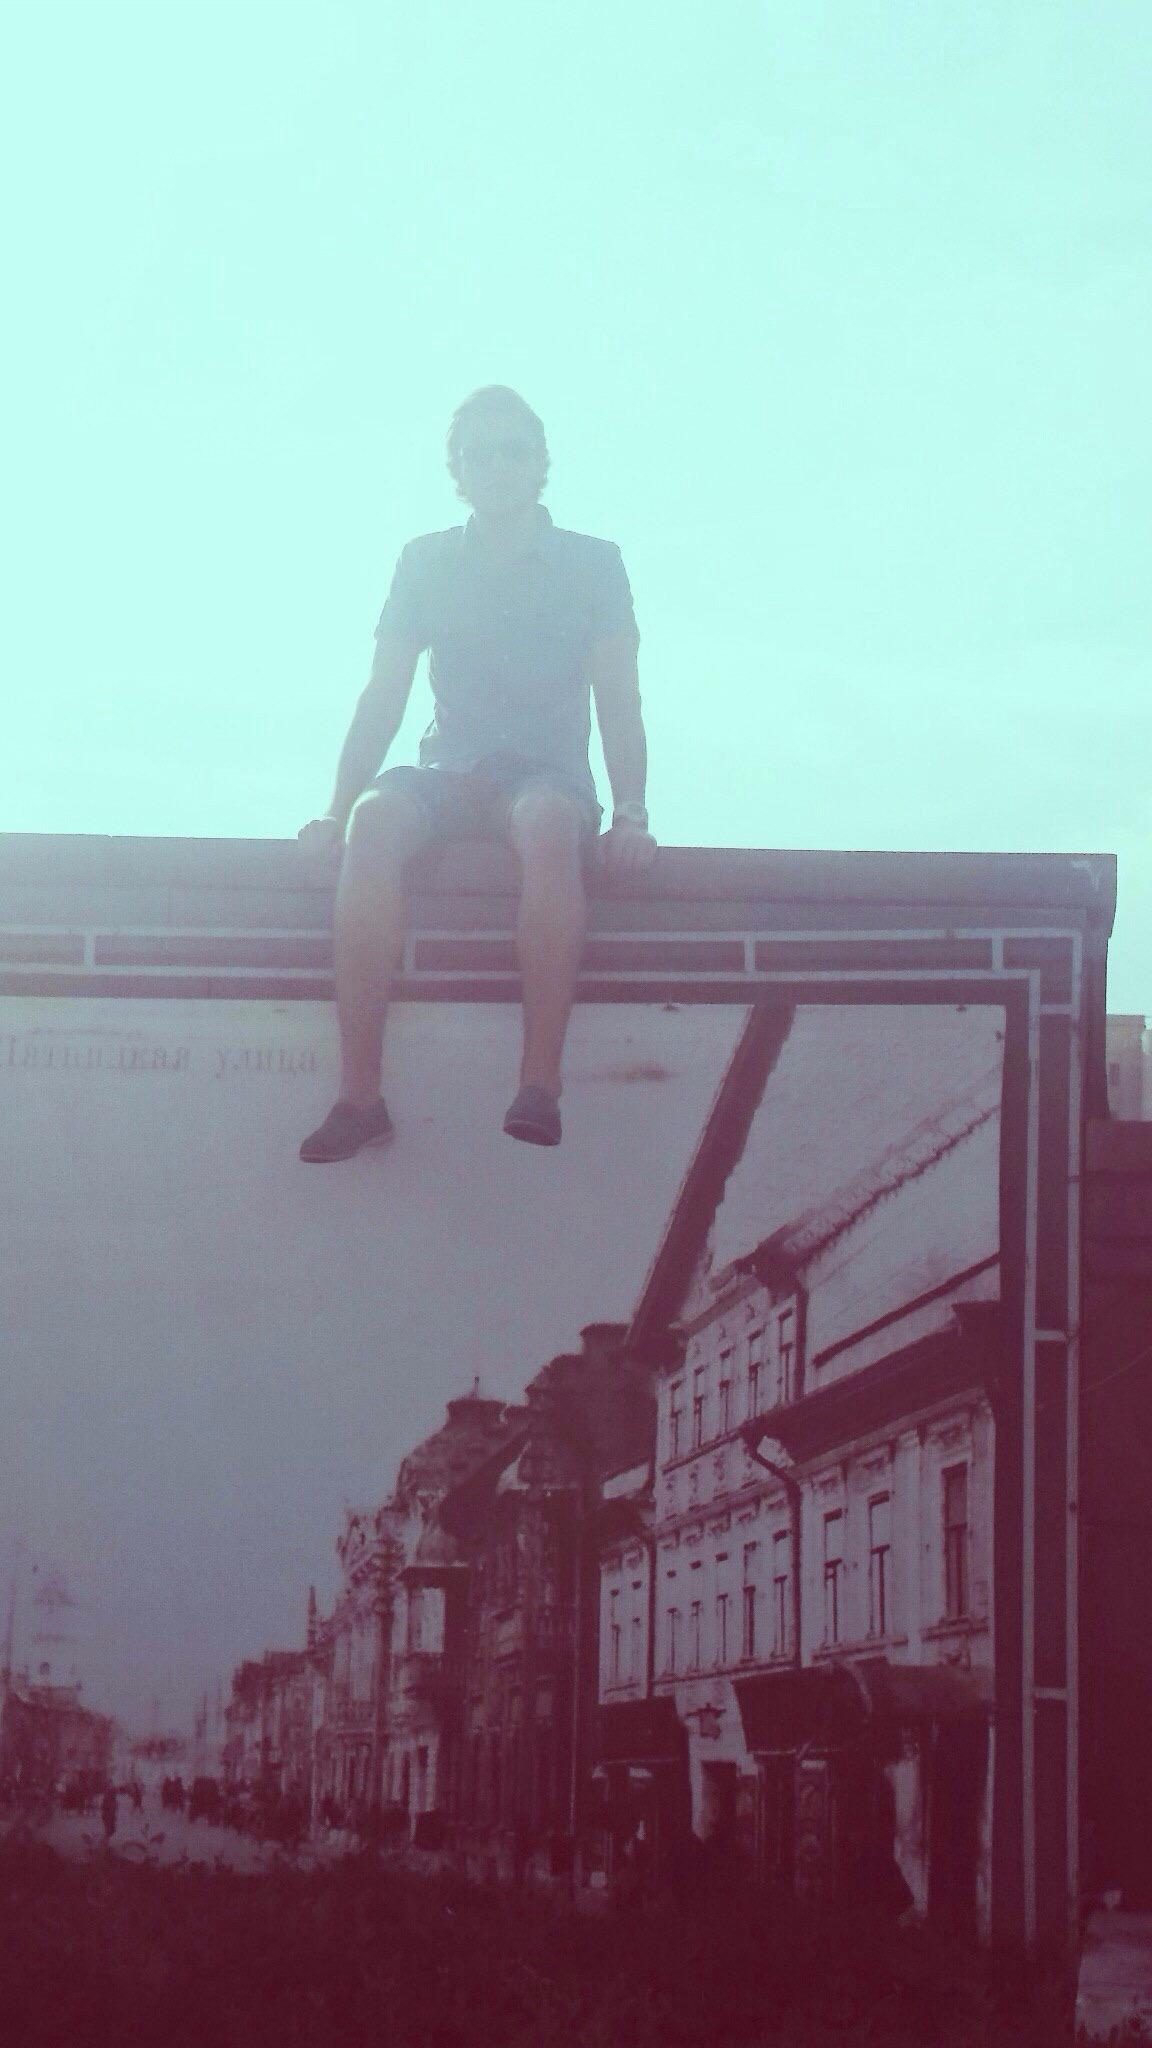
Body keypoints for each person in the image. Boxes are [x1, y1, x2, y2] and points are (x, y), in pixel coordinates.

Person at [297, 385, 656, 1161]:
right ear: (457, 473)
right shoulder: (424, 561)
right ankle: (359, 1098)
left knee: (548, 823)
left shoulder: (595, 564)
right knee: (372, 820)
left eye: (513, 451)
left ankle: (539, 1086)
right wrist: (333, 809)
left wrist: (631, 812)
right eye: (478, 454)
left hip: (545, 776)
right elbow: (383, 693)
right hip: (448, 769)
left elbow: (619, 699)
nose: (497, 466)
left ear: (541, 464)